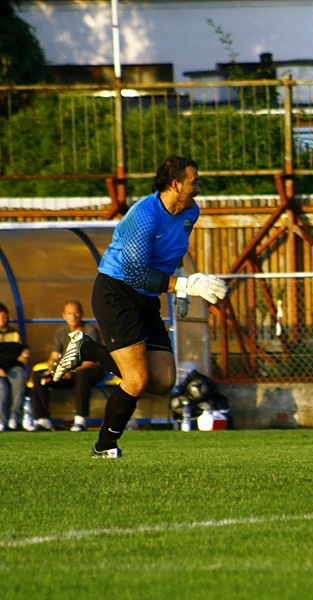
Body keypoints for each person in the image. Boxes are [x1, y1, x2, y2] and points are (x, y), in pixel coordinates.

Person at [52, 155, 228, 458]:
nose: (199, 187)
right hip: (117, 292)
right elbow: (134, 272)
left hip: (146, 297)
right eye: (194, 181)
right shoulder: (144, 216)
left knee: (162, 381)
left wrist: (182, 286)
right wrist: (184, 286)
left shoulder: (191, 212)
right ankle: (104, 447)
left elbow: (175, 251)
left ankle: (88, 350)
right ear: (175, 184)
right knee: (136, 379)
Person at [28, 301, 105, 432]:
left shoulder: (90, 330)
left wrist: (71, 370)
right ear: (64, 315)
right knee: (39, 376)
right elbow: (53, 357)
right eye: (70, 313)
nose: (73, 316)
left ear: (81, 314)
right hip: (66, 372)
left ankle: (80, 420)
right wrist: (54, 369)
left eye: (76, 313)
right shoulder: (60, 332)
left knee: (81, 376)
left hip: (88, 370)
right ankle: (42, 420)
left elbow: (94, 360)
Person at [0, 303, 29, 431]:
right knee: (2, 389)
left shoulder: (15, 334)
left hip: (14, 367)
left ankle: (14, 418)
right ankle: (1, 420)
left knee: (20, 380)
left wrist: (25, 355)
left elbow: (25, 349)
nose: (3, 319)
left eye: (5, 316)